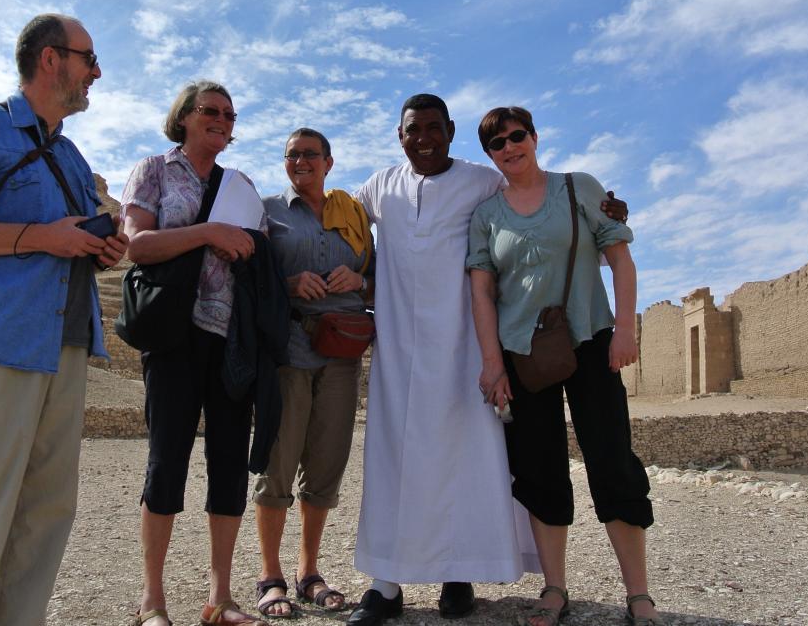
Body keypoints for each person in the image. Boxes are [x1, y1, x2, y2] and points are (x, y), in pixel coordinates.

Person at [348, 94, 629, 626]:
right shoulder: (379, 186)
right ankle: (386, 584)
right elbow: (335, 221)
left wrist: (607, 211)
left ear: (450, 131)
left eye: (434, 128)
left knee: (465, 460)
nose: (424, 138)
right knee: (394, 461)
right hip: (396, 357)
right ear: (399, 134)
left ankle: (460, 575)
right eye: (414, 129)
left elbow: (540, 199)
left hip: (464, 348)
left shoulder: (482, 180)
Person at [0, 13, 129, 625]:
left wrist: (100, 250)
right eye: (89, 59)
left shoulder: (71, 155)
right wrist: (43, 237)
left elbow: (69, 243)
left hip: (61, 351)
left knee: (45, 516)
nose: (95, 73)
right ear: (50, 59)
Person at [467, 106, 657, 626]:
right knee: (540, 469)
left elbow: (620, 258)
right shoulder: (486, 216)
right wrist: (492, 364)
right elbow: (482, 293)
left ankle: (638, 593)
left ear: (534, 136)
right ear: (490, 155)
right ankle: (554, 589)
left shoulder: (578, 188)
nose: (510, 147)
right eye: (497, 144)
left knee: (612, 460)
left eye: (517, 136)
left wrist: (625, 329)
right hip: (523, 354)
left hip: (592, 341)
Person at [122, 81, 275, 626]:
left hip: (231, 337)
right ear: (184, 117)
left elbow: (256, 250)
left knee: (229, 464)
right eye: (210, 110)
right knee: (167, 463)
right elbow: (136, 245)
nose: (221, 120)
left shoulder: (242, 183)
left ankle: (220, 598)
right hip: (174, 334)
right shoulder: (155, 170)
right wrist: (209, 231)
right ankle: (152, 601)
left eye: (229, 115)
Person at [252, 128, 373, 619]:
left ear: (329, 161)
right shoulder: (268, 212)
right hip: (289, 350)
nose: (301, 161)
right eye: (292, 155)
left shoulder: (356, 215)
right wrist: (287, 281)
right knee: (278, 462)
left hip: (342, 355)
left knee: (326, 463)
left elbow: (381, 277)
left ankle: (309, 572)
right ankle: (270, 576)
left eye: (310, 154)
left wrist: (360, 279)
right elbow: (251, 278)